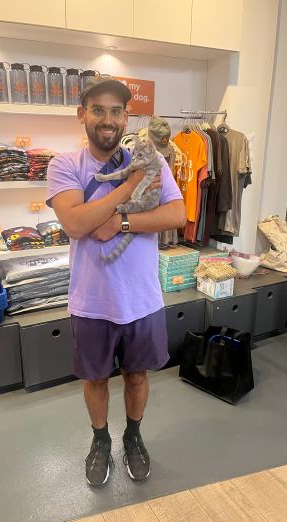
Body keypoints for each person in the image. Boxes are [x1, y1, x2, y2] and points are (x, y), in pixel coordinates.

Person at [46, 76, 186, 487]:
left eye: (116, 111)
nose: (107, 119)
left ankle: (134, 436)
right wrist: (128, 185)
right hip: (91, 301)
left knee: (138, 376)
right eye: (98, 110)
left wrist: (122, 221)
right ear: (82, 115)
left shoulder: (155, 162)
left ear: (127, 117)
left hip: (141, 299)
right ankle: (101, 441)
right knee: (94, 379)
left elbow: (176, 215)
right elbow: (75, 222)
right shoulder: (65, 165)